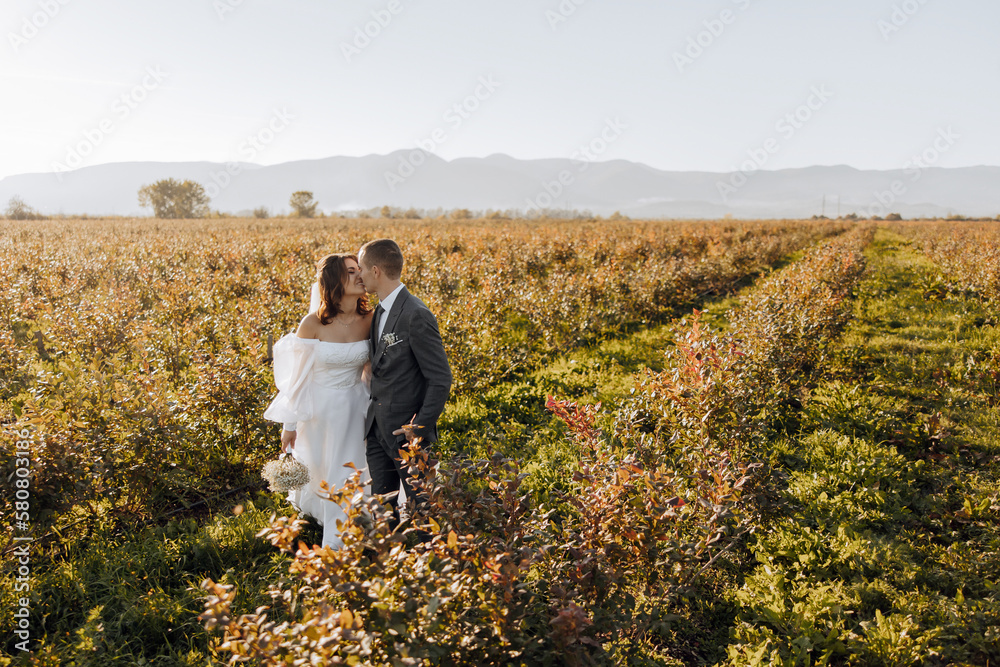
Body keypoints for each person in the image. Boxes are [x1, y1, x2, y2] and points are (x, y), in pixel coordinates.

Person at [263, 253, 373, 549]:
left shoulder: (370, 319)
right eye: (351, 272)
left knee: (351, 468)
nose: (359, 275)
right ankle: (339, 537)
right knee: (327, 470)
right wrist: (290, 425)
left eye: (359, 269)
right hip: (320, 410)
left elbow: (371, 370)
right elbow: (297, 381)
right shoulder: (312, 323)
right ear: (334, 280)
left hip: (356, 405)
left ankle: (348, 536)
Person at [357, 238, 452, 526]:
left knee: (423, 510)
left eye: (360, 268)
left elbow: (440, 377)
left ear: (375, 271)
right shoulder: (379, 312)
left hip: (406, 435)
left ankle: (435, 566)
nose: (358, 276)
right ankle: (390, 566)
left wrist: (418, 429)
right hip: (376, 430)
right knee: (382, 511)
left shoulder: (416, 314)